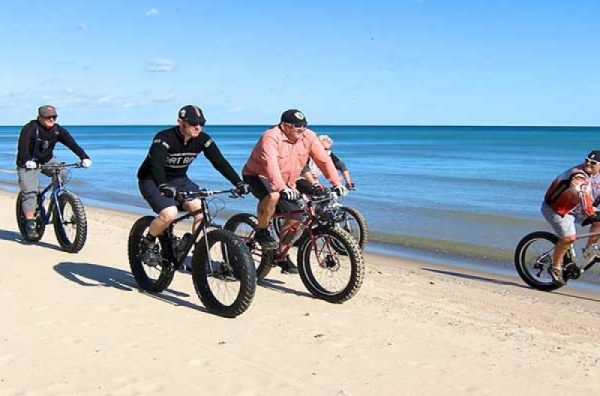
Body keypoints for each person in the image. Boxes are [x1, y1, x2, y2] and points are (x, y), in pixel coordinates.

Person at [137, 105, 249, 265]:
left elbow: (220, 162)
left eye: (201, 124)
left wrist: (238, 182)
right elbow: (156, 164)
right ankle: (148, 241)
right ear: (180, 122)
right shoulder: (164, 138)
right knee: (169, 214)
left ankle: (199, 254)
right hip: (152, 180)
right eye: (193, 124)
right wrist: (162, 185)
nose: (198, 127)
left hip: (180, 180)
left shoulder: (203, 139)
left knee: (200, 210)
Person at [242, 109, 347, 274]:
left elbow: (324, 160)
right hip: (257, 175)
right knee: (273, 195)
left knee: (297, 215)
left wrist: (336, 183)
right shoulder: (270, 137)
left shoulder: (308, 136)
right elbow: (271, 165)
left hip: (287, 180)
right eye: (298, 129)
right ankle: (261, 231)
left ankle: (281, 254)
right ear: (285, 126)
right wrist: (282, 188)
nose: (302, 131)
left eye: (304, 127)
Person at [16, 105, 92, 239]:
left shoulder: (58, 130)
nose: (51, 120)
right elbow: (22, 147)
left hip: (47, 160)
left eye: (54, 117)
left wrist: (84, 157)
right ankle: (30, 224)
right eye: (48, 117)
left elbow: (72, 144)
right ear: (40, 117)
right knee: (30, 192)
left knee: (63, 172)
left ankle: (57, 199)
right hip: (28, 163)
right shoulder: (30, 128)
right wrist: (27, 160)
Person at [542, 150, 600, 284]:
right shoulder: (578, 174)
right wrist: (591, 214)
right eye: (586, 160)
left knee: (599, 223)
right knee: (569, 238)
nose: (588, 164)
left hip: (578, 208)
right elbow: (583, 194)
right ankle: (555, 267)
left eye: (593, 163)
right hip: (558, 209)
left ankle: (589, 251)